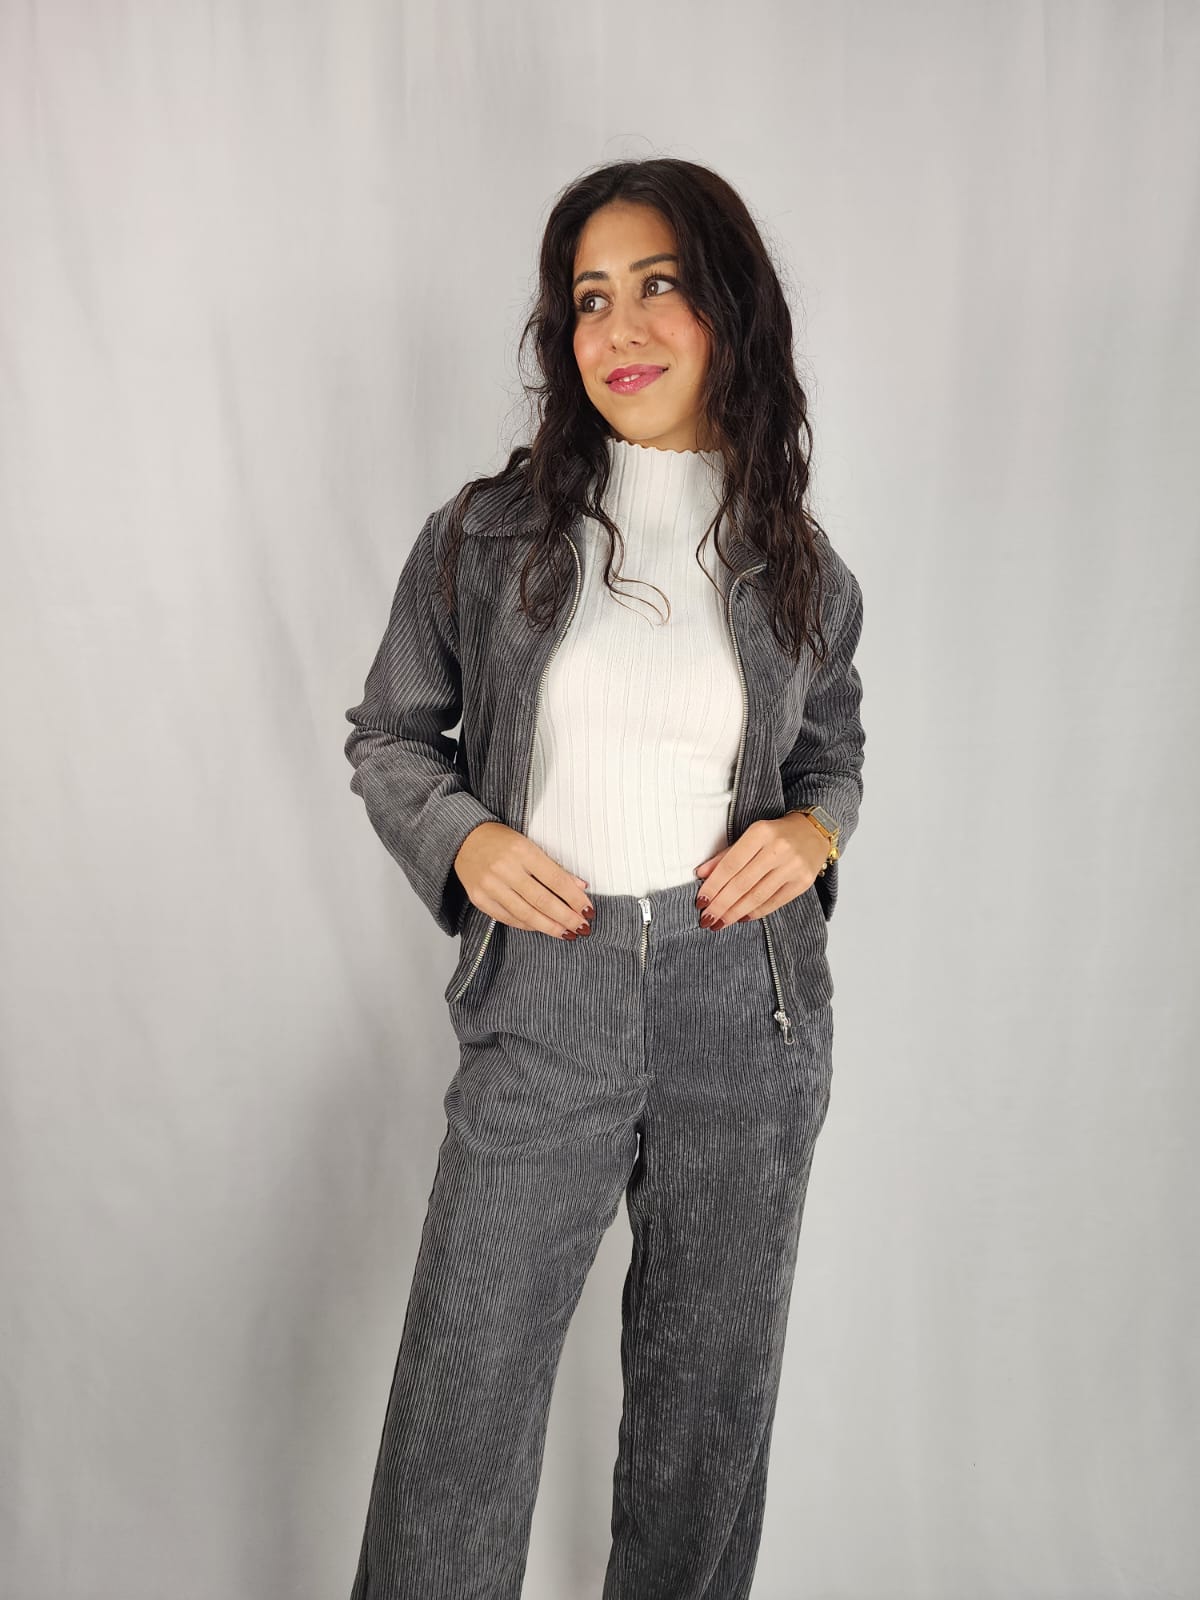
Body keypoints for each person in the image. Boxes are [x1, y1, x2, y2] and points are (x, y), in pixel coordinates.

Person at [343, 156, 866, 1600]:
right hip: (548, 997)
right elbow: (390, 733)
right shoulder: (486, 536)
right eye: (588, 299)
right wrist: (467, 840)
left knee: (707, 1429)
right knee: (461, 1414)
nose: (618, 329)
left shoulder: (799, 566)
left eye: (658, 288)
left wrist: (815, 835)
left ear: (728, 314)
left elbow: (830, 754)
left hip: (744, 1010)